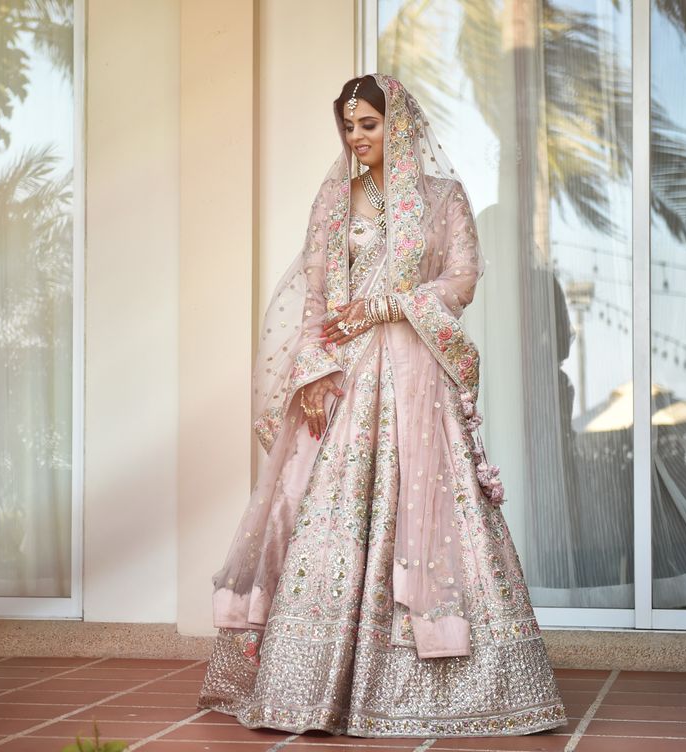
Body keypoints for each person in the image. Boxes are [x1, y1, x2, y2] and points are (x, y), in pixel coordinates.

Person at [197, 74, 567, 738]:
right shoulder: (335, 201)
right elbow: (316, 294)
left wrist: (396, 303)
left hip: (418, 372)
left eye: (368, 123)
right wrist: (311, 373)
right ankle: (313, 683)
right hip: (346, 373)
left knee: (430, 503)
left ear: (397, 124)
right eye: (349, 125)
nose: (357, 137)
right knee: (322, 513)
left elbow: (462, 277)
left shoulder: (442, 198)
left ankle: (442, 677)